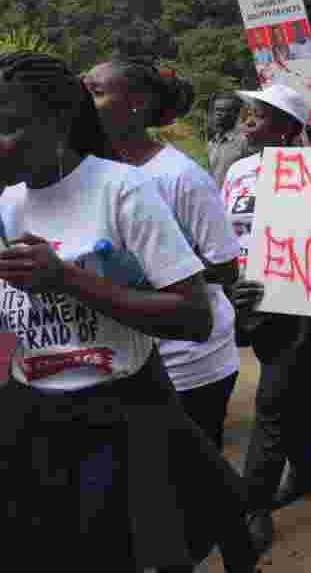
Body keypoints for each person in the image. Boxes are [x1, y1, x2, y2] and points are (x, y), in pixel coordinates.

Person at [0, 49, 254, 572]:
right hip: (33, 421)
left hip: (119, 422)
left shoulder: (121, 189)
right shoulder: (7, 203)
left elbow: (193, 315)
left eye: (10, 125)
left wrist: (67, 278)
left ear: (58, 120)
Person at [84, 61, 242, 452]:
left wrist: (158, 267)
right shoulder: (88, 173)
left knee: (194, 477)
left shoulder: (181, 177)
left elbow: (225, 266)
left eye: (96, 91)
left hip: (187, 360)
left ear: (137, 103)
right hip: (124, 357)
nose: (83, 100)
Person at [222, 84, 311, 557]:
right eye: (247, 113)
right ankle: (304, 473)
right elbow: (226, 231)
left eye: (258, 115)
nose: (247, 121)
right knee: (291, 393)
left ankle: (254, 507)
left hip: (297, 302)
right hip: (252, 304)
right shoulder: (239, 170)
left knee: (273, 401)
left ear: (288, 128)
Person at [208, 92, 256, 190]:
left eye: (224, 110)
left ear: (236, 114)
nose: (218, 114)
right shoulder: (211, 143)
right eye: (217, 110)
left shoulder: (245, 143)